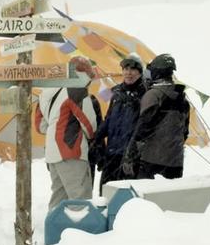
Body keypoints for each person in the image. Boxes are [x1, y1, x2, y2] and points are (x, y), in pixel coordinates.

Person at [35, 56, 99, 210]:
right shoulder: (76, 88)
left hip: (52, 152)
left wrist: (57, 123)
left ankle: (54, 231)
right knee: (80, 200)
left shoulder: (46, 91)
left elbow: (40, 125)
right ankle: (80, 233)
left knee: (58, 199)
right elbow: (89, 125)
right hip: (71, 150)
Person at [123, 53, 190, 180]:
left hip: (151, 161)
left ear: (156, 72)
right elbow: (185, 132)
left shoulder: (154, 95)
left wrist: (130, 155)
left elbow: (142, 128)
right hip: (175, 162)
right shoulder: (181, 98)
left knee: (146, 198)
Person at [92, 55, 147, 191]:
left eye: (133, 69)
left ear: (140, 72)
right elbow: (109, 119)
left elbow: (146, 128)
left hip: (131, 157)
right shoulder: (116, 93)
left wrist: (134, 154)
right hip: (112, 154)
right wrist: (95, 138)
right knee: (106, 193)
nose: (128, 73)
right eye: (126, 69)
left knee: (127, 196)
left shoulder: (145, 94)